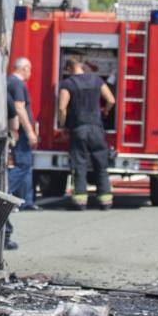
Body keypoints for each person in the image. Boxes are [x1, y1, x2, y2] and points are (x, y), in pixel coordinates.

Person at [56, 55, 116, 210]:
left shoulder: (67, 83)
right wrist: (105, 112)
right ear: (81, 66)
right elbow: (111, 100)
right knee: (101, 164)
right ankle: (105, 201)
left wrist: (62, 124)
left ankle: (80, 202)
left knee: (79, 164)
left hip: (78, 129)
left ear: (68, 69)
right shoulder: (96, 80)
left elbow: (62, 107)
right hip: (96, 128)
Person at [3, 57, 38, 249]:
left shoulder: (9, 82)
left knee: (23, 165)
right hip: (21, 132)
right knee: (23, 166)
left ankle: (23, 198)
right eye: (29, 69)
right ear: (23, 68)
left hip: (15, 131)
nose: (30, 74)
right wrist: (30, 130)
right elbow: (18, 108)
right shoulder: (17, 84)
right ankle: (7, 193)